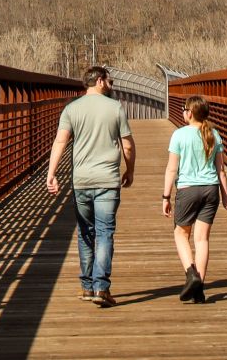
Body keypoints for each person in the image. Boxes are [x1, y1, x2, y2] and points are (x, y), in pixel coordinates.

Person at [46, 66, 135, 307]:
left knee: (85, 232)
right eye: (110, 81)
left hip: (81, 181)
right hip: (107, 180)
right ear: (100, 81)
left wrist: (51, 174)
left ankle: (87, 286)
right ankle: (101, 288)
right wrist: (130, 170)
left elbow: (60, 142)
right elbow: (127, 145)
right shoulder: (115, 108)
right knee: (104, 232)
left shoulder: (71, 109)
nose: (111, 85)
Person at [161, 95, 227, 303]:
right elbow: (221, 171)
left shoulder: (179, 135)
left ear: (190, 113)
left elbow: (172, 169)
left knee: (181, 234)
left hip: (187, 190)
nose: (183, 112)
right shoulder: (214, 134)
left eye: (184, 109)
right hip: (211, 190)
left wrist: (166, 196)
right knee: (202, 239)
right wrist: (226, 199)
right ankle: (199, 289)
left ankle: (191, 274)